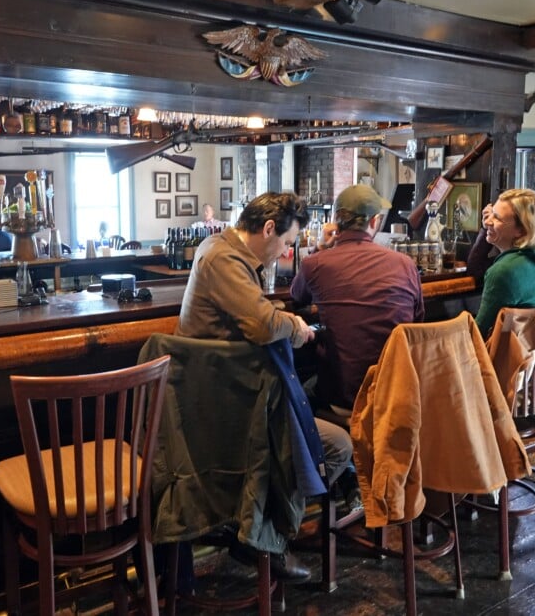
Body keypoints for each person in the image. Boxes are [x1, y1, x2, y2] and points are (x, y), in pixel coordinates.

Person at [175, 191, 354, 582]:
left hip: (236, 393)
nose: (286, 253)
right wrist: (296, 327)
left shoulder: (224, 249)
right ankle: (259, 538)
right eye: (288, 243)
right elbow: (261, 324)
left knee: (312, 427)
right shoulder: (224, 258)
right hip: (222, 406)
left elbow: (256, 315)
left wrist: (280, 319)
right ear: (269, 228)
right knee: (336, 446)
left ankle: (259, 531)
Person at [290, 184, 425, 412]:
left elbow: (296, 296)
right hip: (397, 395)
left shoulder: (315, 264)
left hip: (343, 397)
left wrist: (320, 247)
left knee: (295, 390)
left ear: (335, 221)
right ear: (374, 222)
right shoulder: (405, 264)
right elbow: (418, 321)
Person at [473, 188, 535, 337]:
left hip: (500, 359)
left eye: (497, 218)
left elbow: (478, 333)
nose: (488, 221)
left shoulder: (504, 271)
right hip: (534, 357)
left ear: (522, 230)